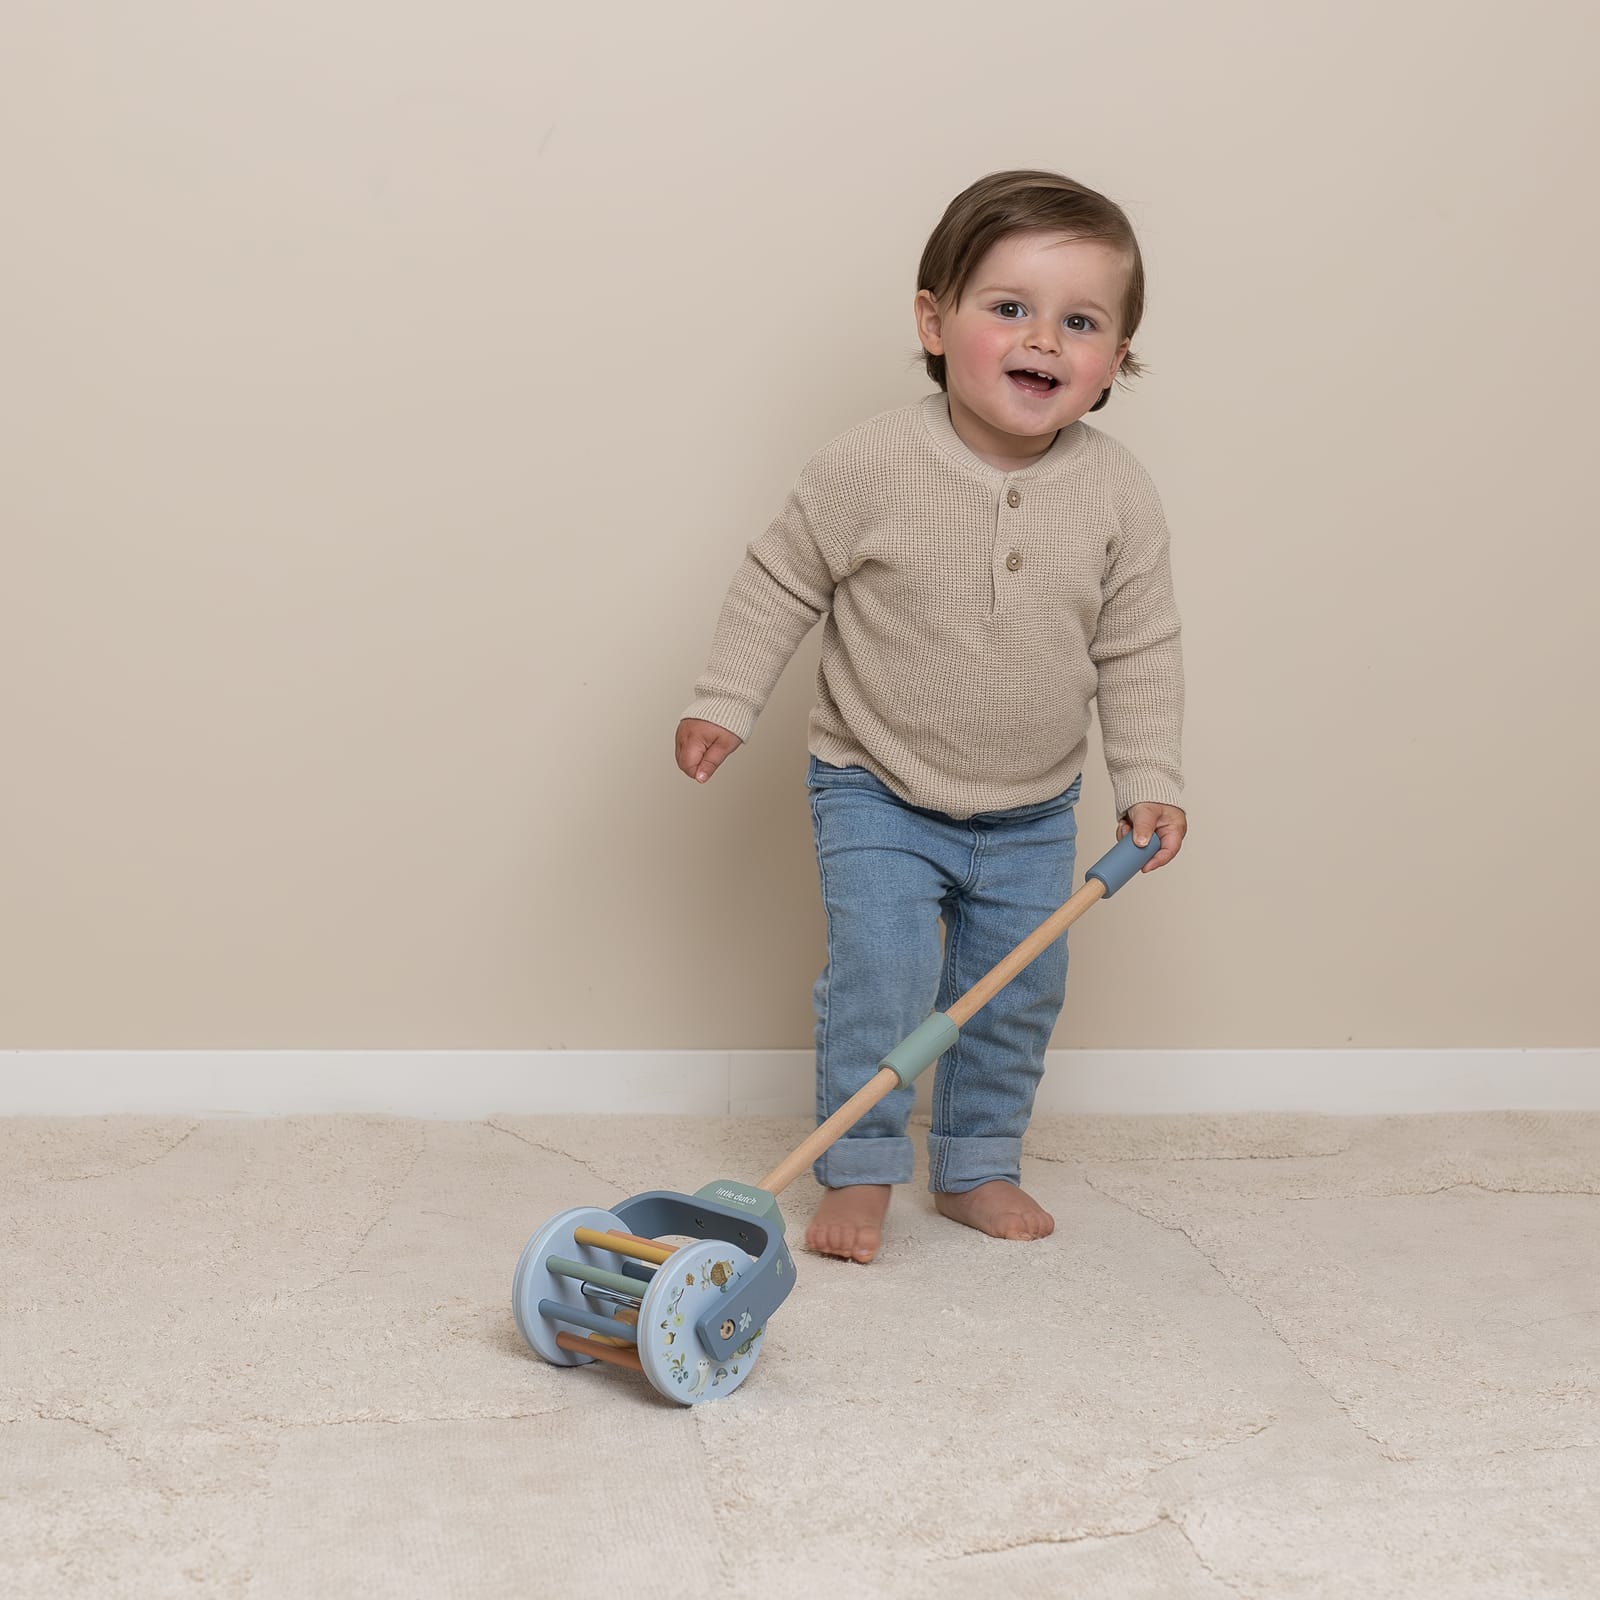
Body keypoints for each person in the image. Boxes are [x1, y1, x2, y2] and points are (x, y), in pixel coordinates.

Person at [676, 170, 1187, 1263]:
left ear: (1114, 362)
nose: (1042, 338)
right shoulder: (871, 462)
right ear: (933, 322)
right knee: (881, 978)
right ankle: (858, 1167)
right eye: (1008, 308)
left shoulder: (1118, 496)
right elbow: (779, 580)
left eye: (1080, 322)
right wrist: (727, 699)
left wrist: (1150, 778)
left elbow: (1138, 644)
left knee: (1014, 992)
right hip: (874, 781)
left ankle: (976, 1161)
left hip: (1034, 805)